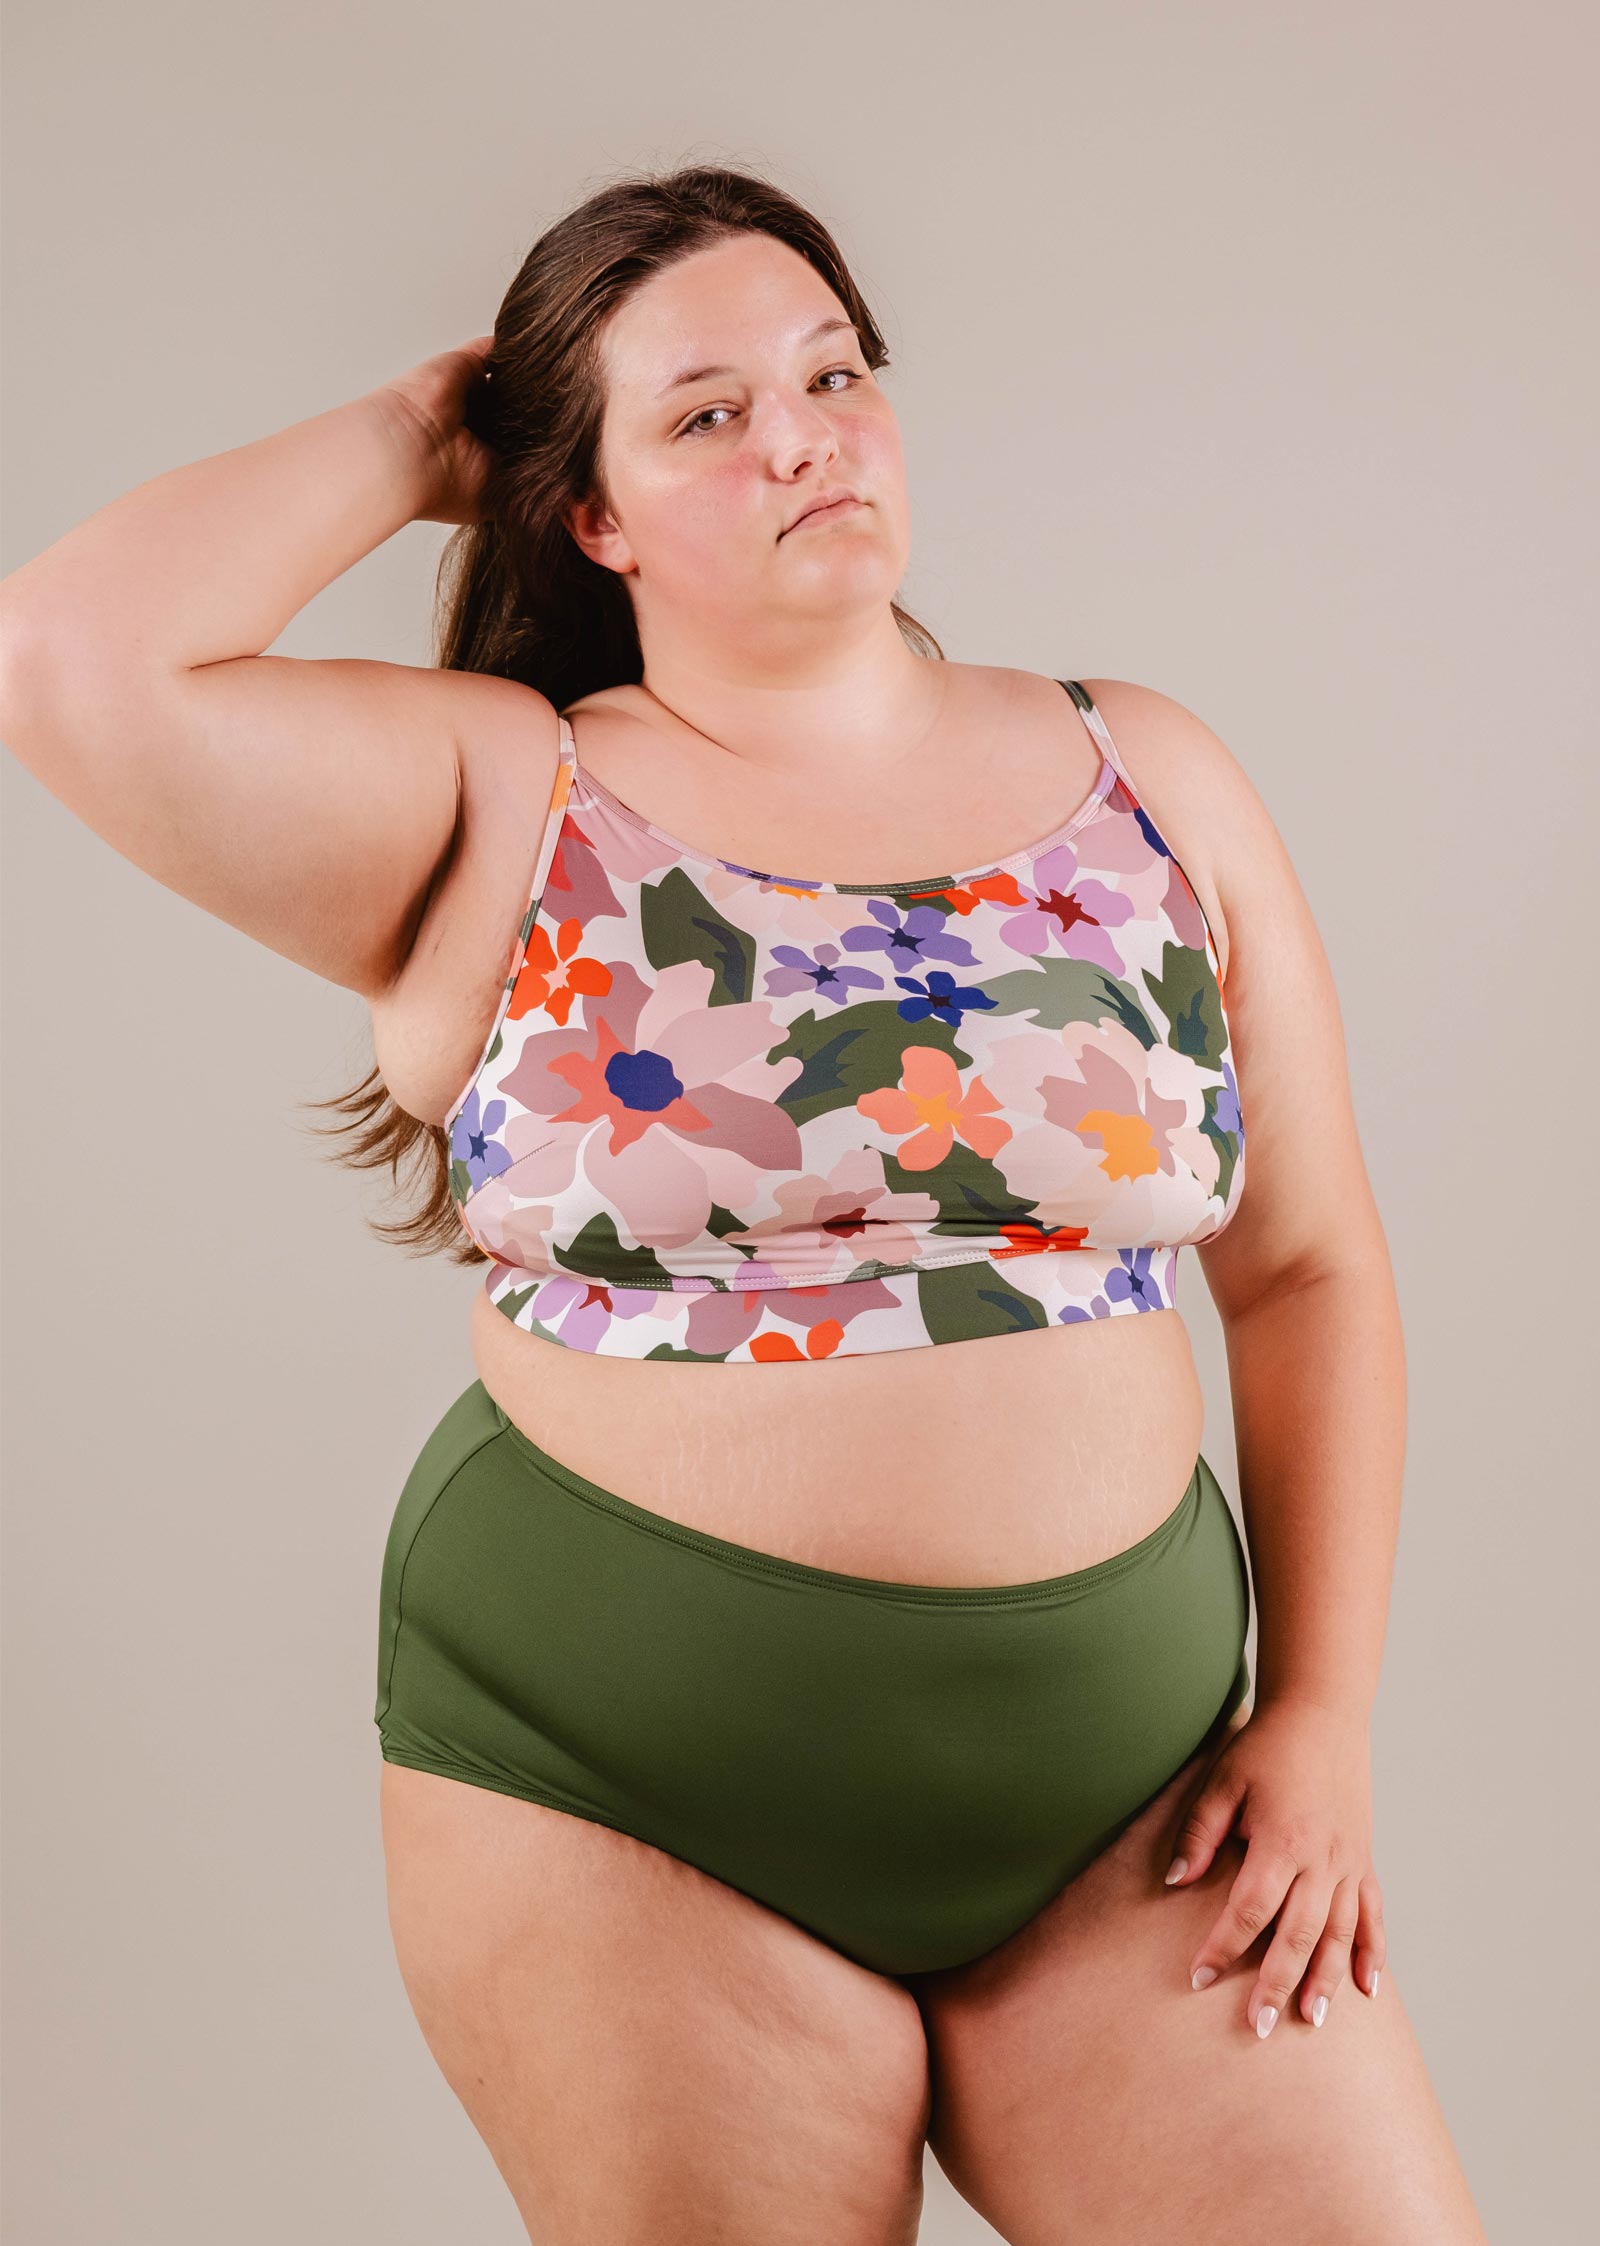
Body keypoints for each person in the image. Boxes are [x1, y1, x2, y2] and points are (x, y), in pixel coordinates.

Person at [0, 163, 1487, 2244]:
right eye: (704, 411)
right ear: (583, 511)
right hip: (619, 1796)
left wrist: (1321, 1711)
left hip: (1127, 1796)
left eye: (833, 372)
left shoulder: (1150, 775)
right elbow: (70, 660)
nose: (801, 434)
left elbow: (1310, 1263)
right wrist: (423, 436)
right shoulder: (495, 790)